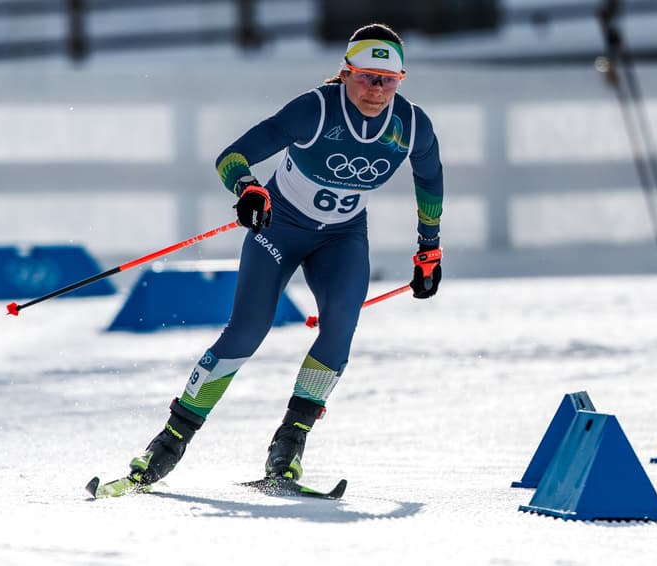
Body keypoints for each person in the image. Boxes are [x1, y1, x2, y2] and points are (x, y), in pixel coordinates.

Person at [113, 23, 444, 492]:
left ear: (401, 80)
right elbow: (233, 156)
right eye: (367, 76)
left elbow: (430, 178)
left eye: (388, 79)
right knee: (248, 329)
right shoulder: (315, 110)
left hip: (343, 238)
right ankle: (168, 443)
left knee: (341, 327)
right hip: (280, 229)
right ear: (346, 72)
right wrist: (247, 187)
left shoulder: (411, 125)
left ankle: (288, 447)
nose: (376, 89)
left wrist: (429, 247)